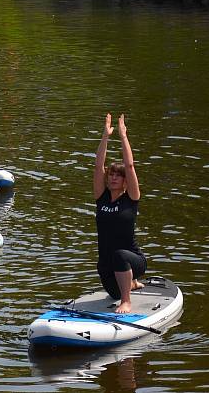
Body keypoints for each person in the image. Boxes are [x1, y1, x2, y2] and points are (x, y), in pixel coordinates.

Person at [93, 113, 146, 313]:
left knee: (120, 256)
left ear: (125, 181)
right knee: (112, 289)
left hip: (132, 258)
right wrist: (105, 135)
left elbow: (130, 166)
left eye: (119, 175)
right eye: (112, 174)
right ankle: (129, 284)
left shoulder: (131, 198)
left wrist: (123, 136)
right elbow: (98, 165)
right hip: (107, 263)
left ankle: (127, 300)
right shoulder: (102, 197)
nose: (114, 177)